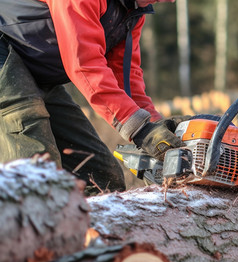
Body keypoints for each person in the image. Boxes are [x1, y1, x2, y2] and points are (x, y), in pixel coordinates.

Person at [0, 0, 185, 195]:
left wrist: (155, 128)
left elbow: (124, 74)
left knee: (102, 179)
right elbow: (85, 64)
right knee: (40, 174)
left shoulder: (133, 12)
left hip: (36, 73)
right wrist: (140, 129)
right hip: (5, 60)